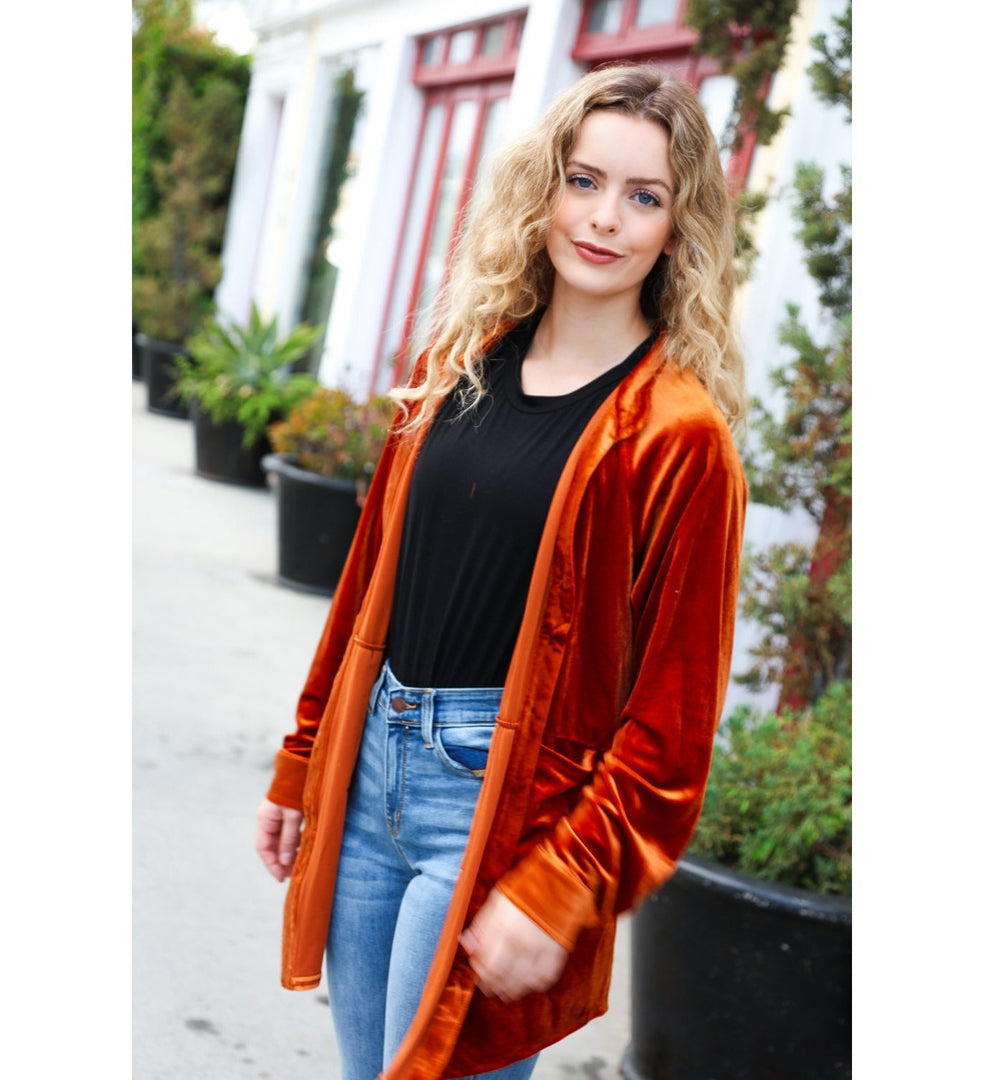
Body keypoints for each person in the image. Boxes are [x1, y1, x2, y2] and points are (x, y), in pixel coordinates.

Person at [255, 63, 748, 1080]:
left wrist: (560, 885)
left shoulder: (676, 438)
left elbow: (670, 727)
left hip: (502, 807)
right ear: (545, 187)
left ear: (677, 225)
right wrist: (307, 757)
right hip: (370, 768)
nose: (605, 218)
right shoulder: (458, 364)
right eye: (584, 180)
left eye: (644, 195)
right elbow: (366, 588)